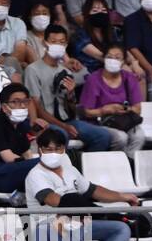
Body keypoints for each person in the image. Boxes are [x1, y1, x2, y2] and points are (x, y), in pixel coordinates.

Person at [27, 129, 138, 241]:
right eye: (48, 150)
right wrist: (89, 210)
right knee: (68, 230)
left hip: (78, 222)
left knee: (121, 229)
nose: (53, 153)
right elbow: (56, 201)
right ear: (39, 150)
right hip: (48, 226)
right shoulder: (36, 174)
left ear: (63, 149)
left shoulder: (70, 170)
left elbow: (93, 190)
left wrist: (122, 197)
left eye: (57, 149)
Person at [25, 24, 112, 153]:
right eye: (53, 41)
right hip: (46, 123)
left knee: (103, 136)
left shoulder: (66, 71)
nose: (57, 45)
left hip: (67, 121)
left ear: (66, 45)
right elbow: (37, 107)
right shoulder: (32, 69)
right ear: (45, 43)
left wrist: (71, 94)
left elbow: (71, 109)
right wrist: (64, 126)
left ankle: (84, 165)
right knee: (61, 136)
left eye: (61, 42)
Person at [79, 43, 145, 154]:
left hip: (124, 120)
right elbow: (86, 112)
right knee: (121, 138)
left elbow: (137, 109)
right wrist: (104, 110)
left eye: (117, 58)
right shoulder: (93, 79)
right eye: (109, 57)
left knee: (139, 136)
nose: (113, 60)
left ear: (123, 61)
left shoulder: (129, 78)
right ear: (104, 59)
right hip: (99, 122)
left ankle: (130, 164)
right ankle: (114, 163)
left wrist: (123, 109)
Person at [0, 83, 40, 200]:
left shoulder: (20, 124)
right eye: (15, 102)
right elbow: (8, 157)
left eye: (25, 102)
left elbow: (27, 153)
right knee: (42, 163)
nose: (21, 106)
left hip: (12, 170)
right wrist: (35, 165)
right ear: (5, 106)